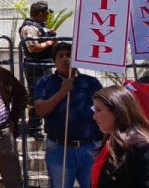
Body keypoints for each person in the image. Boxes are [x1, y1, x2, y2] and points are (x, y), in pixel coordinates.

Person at [34, 42, 103, 188]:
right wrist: (62, 92)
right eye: (61, 56)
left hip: (90, 148)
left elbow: (104, 109)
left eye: (69, 55)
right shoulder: (45, 82)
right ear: (54, 62)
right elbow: (41, 110)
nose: (65, 59)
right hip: (59, 150)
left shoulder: (91, 82)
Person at [90, 85, 149, 188]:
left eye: (98, 110)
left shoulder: (143, 147)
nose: (94, 116)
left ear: (117, 111)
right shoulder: (109, 142)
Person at [19, 1, 57, 136]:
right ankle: (34, 128)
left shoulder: (40, 26)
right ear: (40, 13)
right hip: (35, 66)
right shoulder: (29, 28)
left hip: (45, 65)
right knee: (37, 96)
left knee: (48, 94)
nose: (48, 15)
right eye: (46, 13)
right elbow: (33, 47)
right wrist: (49, 42)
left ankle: (46, 126)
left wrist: (50, 35)